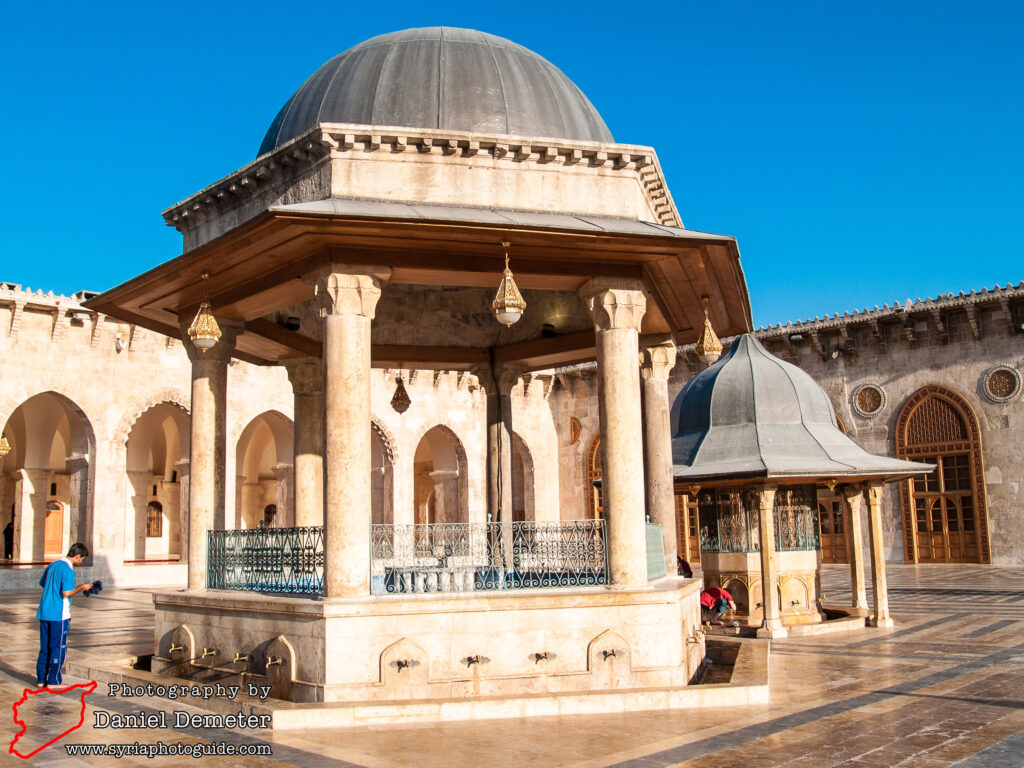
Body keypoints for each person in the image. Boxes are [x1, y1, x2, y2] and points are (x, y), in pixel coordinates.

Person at [36, 542, 92, 687]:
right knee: (58, 647)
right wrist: (82, 587)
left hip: (44, 612)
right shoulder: (68, 570)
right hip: (59, 615)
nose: (80, 562)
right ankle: (54, 681)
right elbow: (66, 593)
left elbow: (43, 583)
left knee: (44, 647)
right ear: (78, 556)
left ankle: (41, 679)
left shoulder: (52, 565)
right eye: (82, 559)